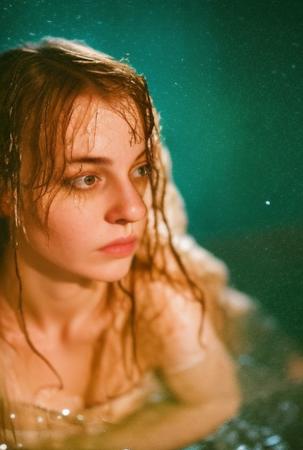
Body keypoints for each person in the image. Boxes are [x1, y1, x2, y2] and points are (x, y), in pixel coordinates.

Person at [0, 37, 248, 450]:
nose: (133, 209)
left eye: (140, 169)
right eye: (86, 178)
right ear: (7, 192)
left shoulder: (157, 308)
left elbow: (217, 401)